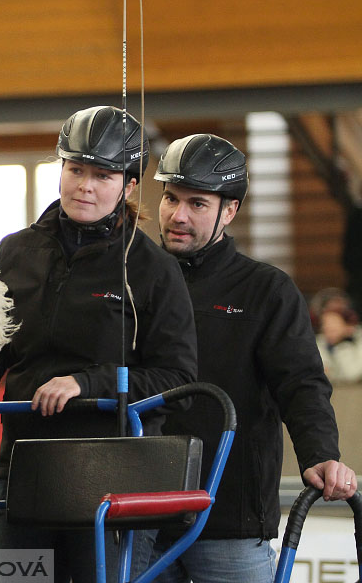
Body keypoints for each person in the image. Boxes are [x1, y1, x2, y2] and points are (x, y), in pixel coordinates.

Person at [0, 106, 198, 583]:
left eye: (101, 175)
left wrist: (88, 383)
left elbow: (178, 377)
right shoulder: (15, 250)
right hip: (22, 466)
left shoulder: (152, 269)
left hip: (108, 471)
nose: (84, 185)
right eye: (75, 169)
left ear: (127, 186)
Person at [136, 133, 358, 583]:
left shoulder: (266, 290)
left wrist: (321, 454)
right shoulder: (133, 283)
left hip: (232, 520)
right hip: (140, 515)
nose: (178, 216)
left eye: (197, 204)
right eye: (171, 198)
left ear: (229, 210)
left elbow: (301, 384)